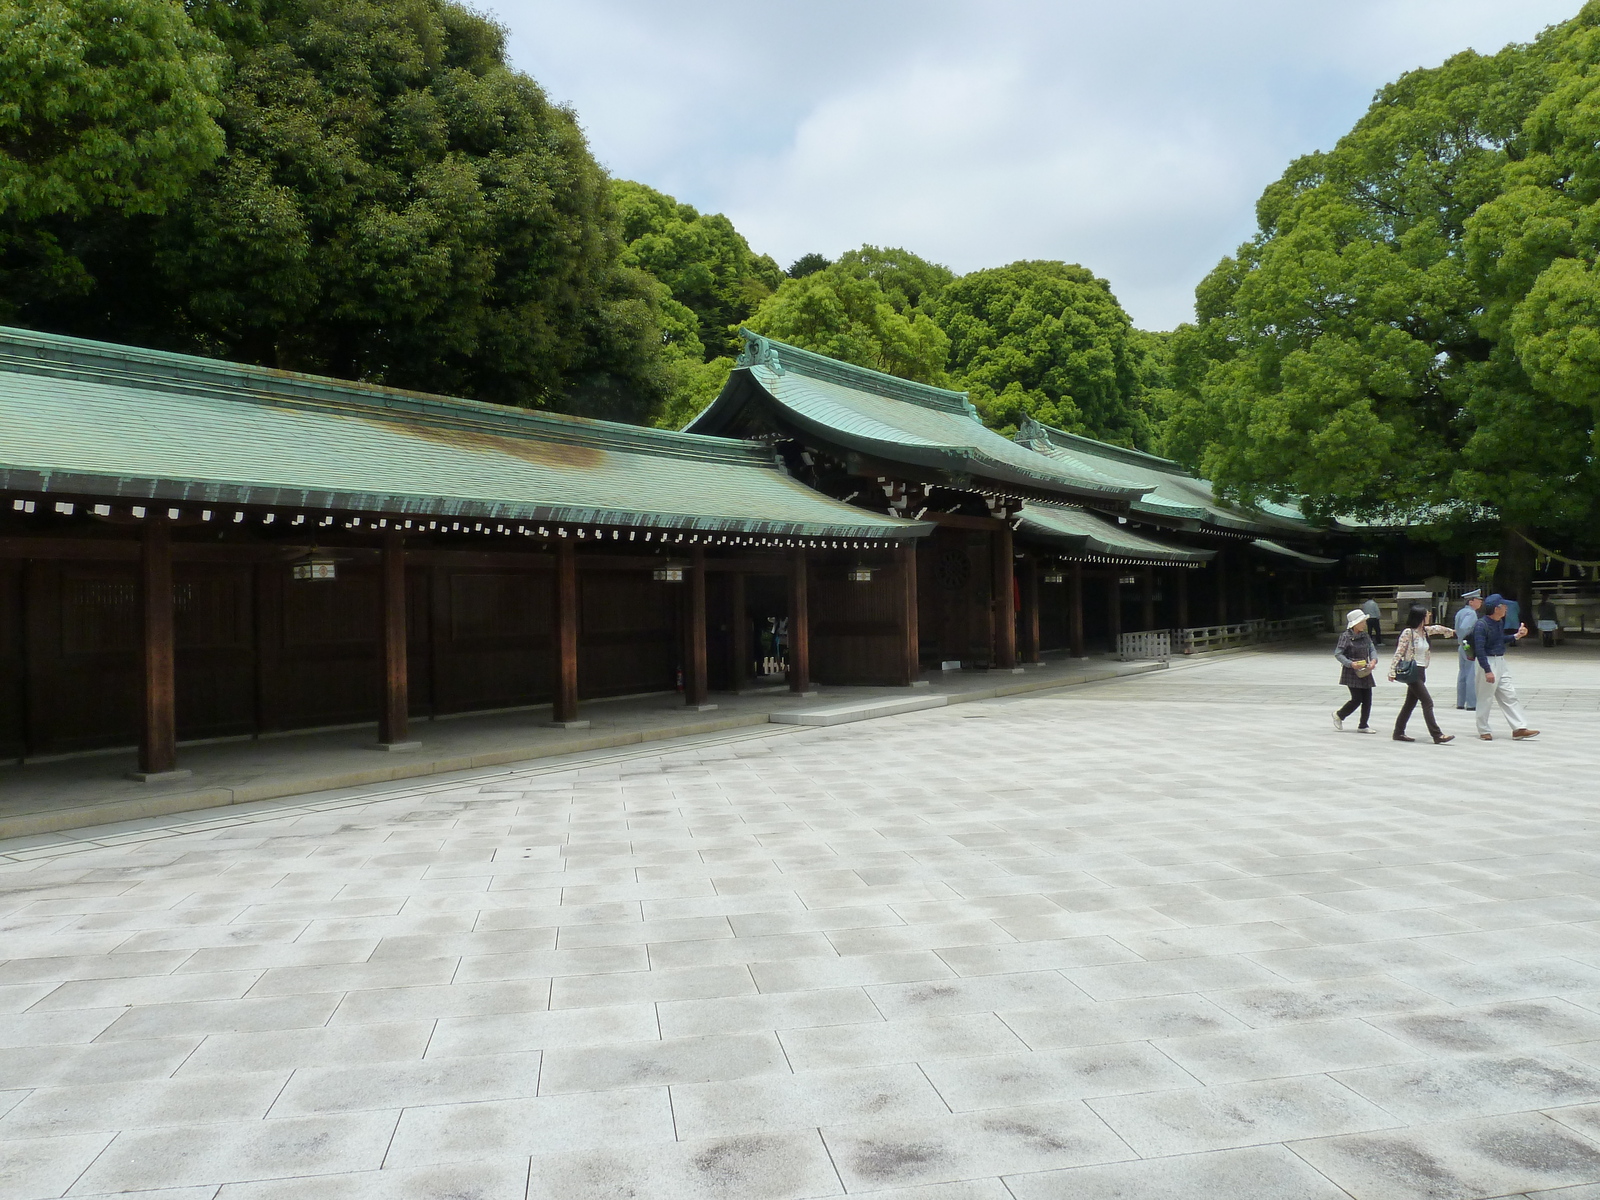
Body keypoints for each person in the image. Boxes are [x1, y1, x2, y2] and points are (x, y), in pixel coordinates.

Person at [1472, 594, 1539, 741]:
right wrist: (1487, 670)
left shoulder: (1498, 622)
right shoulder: (1481, 625)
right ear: (1497, 608)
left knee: (1510, 694)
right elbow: (1479, 649)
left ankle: (1519, 728)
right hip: (1487, 662)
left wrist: (1516, 636)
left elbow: (1500, 639)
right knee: (1485, 697)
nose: (1506, 608)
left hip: (1500, 661)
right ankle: (1483, 729)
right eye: (1503, 605)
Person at [1388, 606, 1456, 743]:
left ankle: (1398, 732)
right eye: (1427, 614)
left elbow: (1438, 628)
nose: (1429, 616)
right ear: (1420, 617)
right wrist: (1392, 670)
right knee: (1427, 702)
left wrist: (1451, 631)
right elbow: (1399, 651)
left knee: (1409, 704)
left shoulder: (1425, 631)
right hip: (1412, 672)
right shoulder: (1408, 633)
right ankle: (1437, 734)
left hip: (1421, 670)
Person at [1333, 608, 1380, 733]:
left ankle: (1363, 725)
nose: (1365, 624)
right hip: (1351, 671)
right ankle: (1339, 715)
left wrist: (1373, 660)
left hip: (1364, 669)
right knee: (1357, 698)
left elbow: (1372, 649)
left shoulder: (1365, 636)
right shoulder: (1345, 637)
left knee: (1367, 698)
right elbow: (1338, 654)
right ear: (1355, 624)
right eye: (1362, 622)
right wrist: (1350, 663)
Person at [1455, 589, 1483, 710]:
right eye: (1478, 600)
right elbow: (1465, 627)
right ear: (1471, 602)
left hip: (1462, 645)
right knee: (1471, 673)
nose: (1480, 602)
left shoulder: (1461, 612)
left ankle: (1461, 702)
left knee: (1463, 673)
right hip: (1469, 645)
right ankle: (1472, 703)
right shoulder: (1471, 614)